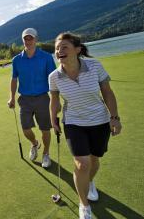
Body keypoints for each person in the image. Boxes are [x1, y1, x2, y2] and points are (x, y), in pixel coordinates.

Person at [49, 32, 122, 219]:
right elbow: (54, 100)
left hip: (100, 121)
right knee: (82, 164)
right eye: (57, 48)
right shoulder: (54, 76)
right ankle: (84, 205)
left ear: (78, 50)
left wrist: (114, 117)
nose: (59, 51)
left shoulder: (94, 66)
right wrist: (53, 119)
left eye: (64, 47)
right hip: (74, 122)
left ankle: (89, 182)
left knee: (94, 160)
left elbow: (107, 92)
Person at [7, 28, 56, 168]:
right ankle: (35, 143)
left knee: (45, 129)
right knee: (26, 129)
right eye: (26, 38)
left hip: (42, 98)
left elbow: (53, 79)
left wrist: (55, 99)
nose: (28, 41)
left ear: (36, 39)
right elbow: (14, 79)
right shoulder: (16, 60)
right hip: (25, 99)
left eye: (31, 38)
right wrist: (11, 97)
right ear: (23, 40)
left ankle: (46, 153)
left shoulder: (46, 57)